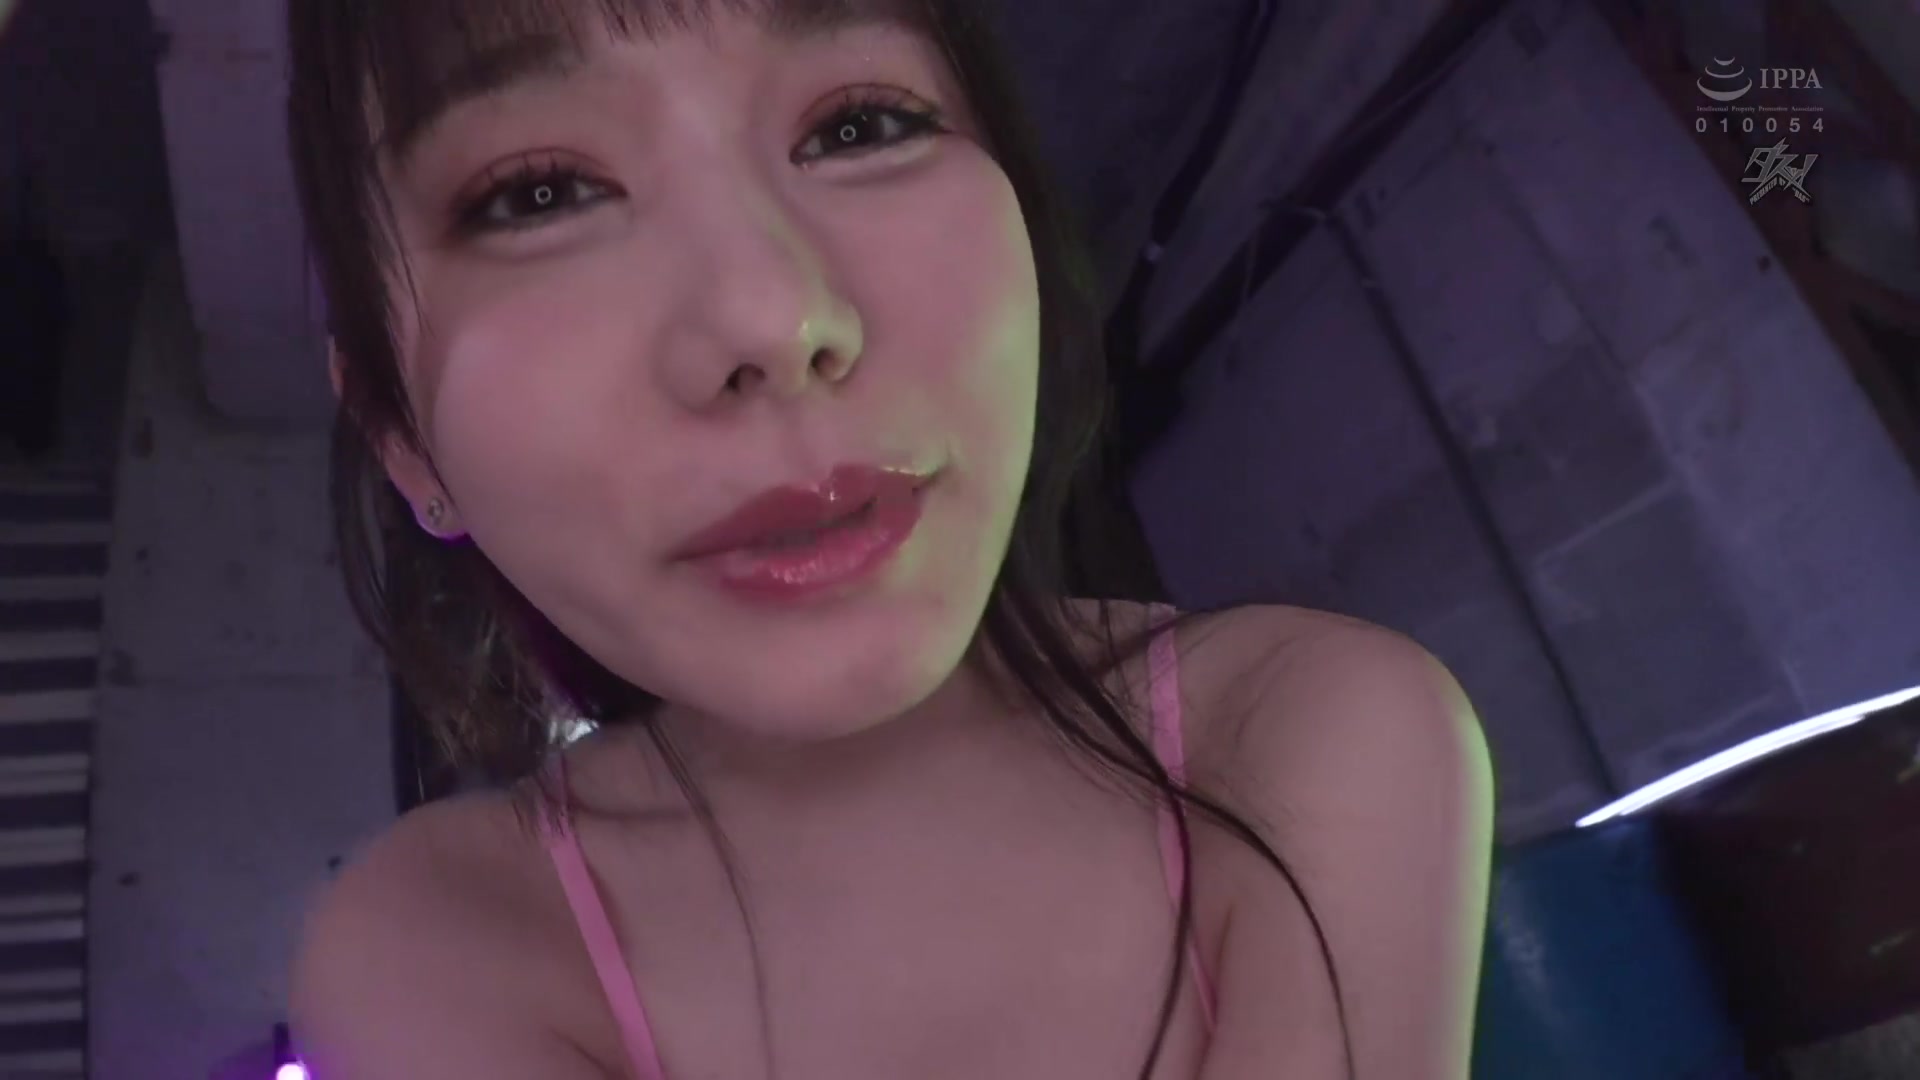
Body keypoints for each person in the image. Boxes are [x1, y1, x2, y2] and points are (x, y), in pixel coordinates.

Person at [284, 2, 1495, 1078]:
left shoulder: (1303, 730)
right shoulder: (443, 943)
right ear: (405, 440)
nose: (773, 316)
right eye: (538, 196)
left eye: (859, 126)